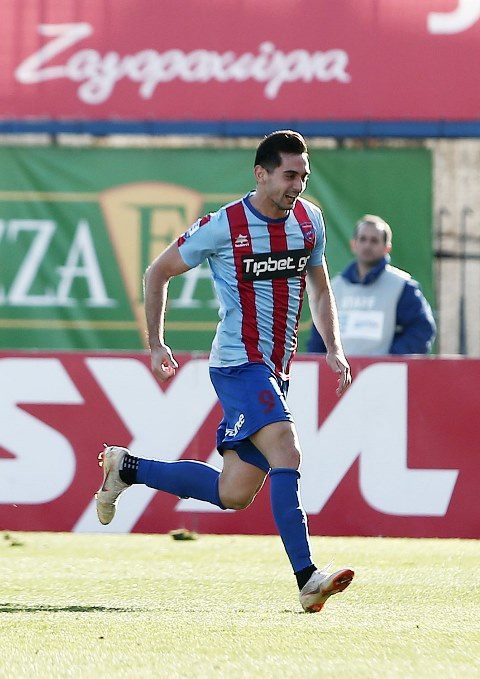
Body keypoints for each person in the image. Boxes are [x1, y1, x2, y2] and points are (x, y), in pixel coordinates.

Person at [95, 130, 355, 613]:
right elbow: (157, 272)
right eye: (289, 175)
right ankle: (307, 577)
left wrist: (334, 348)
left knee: (232, 492)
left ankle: (126, 468)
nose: (297, 185)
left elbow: (320, 290)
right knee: (286, 448)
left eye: (303, 176)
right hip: (239, 364)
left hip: (276, 369)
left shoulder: (310, 221)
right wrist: (156, 344)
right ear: (261, 174)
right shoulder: (225, 224)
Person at [306, 215, 436, 355]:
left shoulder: (401, 286)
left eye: (374, 241)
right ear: (353, 244)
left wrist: (392, 358)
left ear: (387, 248)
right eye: (363, 239)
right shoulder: (334, 288)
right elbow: (318, 337)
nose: (367, 245)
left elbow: (422, 329)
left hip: (383, 368)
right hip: (339, 368)